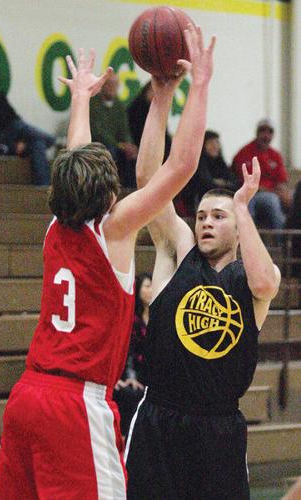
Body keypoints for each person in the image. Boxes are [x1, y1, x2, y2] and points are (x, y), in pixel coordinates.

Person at [0, 23, 216, 499]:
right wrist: (195, 88)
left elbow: (75, 155)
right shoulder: (114, 229)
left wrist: (81, 100)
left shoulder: (58, 224)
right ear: (109, 193)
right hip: (75, 403)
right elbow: (182, 166)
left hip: (26, 397)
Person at [125, 90, 281, 498]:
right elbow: (147, 181)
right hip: (160, 419)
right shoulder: (178, 253)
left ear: (237, 224)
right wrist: (160, 99)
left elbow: (267, 283)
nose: (206, 224)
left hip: (218, 428)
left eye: (218, 216)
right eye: (200, 217)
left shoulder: (249, 280)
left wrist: (243, 207)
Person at [0, 69, 55, 186]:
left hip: (15, 132)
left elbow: (12, 116)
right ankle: (43, 187)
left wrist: (22, 141)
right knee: (42, 140)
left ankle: (43, 188)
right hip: (4, 142)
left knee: (38, 145)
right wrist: (11, 143)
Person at [232, 118, 291, 231]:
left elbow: (282, 181)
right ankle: (278, 242)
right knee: (271, 201)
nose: (266, 135)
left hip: (272, 193)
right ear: (257, 133)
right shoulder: (245, 153)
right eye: (263, 131)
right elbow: (249, 184)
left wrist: (285, 194)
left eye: (270, 132)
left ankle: (288, 244)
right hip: (252, 194)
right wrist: (277, 193)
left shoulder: (275, 155)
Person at [114, 272, 152, 437]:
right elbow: (129, 350)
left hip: (152, 372)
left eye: (153, 286)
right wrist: (130, 375)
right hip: (136, 371)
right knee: (132, 393)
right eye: (147, 286)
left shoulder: (158, 315)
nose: (151, 290)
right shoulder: (133, 318)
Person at [89, 72, 138, 187]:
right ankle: (108, 187)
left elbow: (124, 129)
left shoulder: (119, 105)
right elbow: (97, 131)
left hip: (117, 146)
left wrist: (128, 144)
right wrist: (119, 145)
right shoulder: (92, 103)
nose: (112, 87)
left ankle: (130, 190)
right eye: (109, 84)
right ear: (102, 86)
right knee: (110, 151)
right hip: (98, 145)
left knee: (134, 155)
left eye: (115, 84)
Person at [176, 129, 237, 216]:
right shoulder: (196, 164)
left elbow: (234, 183)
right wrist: (219, 183)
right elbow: (204, 184)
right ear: (202, 145)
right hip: (200, 203)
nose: (215, 146)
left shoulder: (221, 164)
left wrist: (218, 183)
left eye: (217, 142)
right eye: (211, 143)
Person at [127, 81, 172, 162]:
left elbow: (164, 134)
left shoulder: (158, 110)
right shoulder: (137, 108)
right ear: (147, 91)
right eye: (154, 92)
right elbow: (137, 132)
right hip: (140, 146)